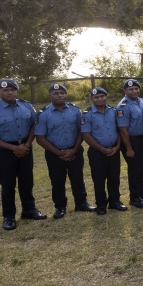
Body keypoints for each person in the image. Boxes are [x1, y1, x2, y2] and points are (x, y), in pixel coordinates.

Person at [35, 84, 95, 219]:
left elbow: (82, 131)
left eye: (62, 92)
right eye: (56, 93)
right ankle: (60, 207)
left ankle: (81, 203)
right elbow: (40, 138)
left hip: (75, 151)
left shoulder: (75, 111)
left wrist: (74, 149)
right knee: (57, 181)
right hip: (54, 154)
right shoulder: (44, 114)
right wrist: (58, 152)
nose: (59, 95)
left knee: (78, 178)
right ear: (50, 95)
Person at [0, 79, 46, 230]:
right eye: (6, 90)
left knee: (27, 181)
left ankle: (29, 210)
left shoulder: (26, 105)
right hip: (4, 151)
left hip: (25, 148)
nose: (10, 92)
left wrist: (27, 144)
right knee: (8, 184)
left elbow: (33, 125)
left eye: (12, 90)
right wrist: (13, 148)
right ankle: (9, 216)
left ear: (16, 91)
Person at [81, 88, 126, 215]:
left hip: (114, 150)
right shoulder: (87, 114)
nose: (99, 99)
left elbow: (119, 130)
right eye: (96, 97)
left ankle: (115, 201)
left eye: (102, 96)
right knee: (99, 179)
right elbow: (86, 136)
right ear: (92, 99)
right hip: (97, 153)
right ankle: (101, 204)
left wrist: (117, 146)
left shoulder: (114, 111)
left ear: (106, 96)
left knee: (114, 177)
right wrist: (102, 149)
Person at [117, 79, 143, 208]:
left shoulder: (140, 101)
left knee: (142, 168)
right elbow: (123, 130)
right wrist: (128, 148)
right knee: (135, 170)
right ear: (125, 91)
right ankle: (134, 197)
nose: (134, 91)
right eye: (131, 89)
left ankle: (142, 194)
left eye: (136, 88)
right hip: (132, 141)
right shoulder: (123, 106)